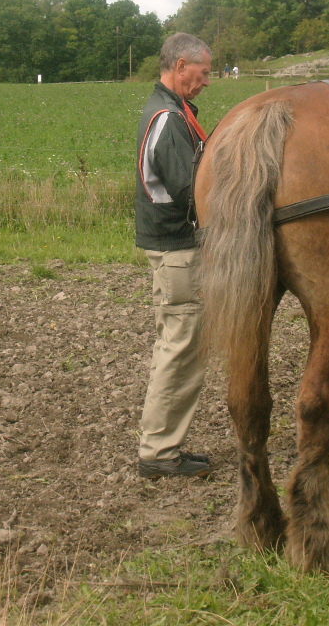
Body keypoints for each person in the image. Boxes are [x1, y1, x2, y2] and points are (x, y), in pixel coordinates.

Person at [134, 32, 213, 479]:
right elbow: (192, 191)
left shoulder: (173, 110)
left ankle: (163, 448)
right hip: (178, 249)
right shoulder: (168, 117)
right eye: (201, 74)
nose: (205, 82)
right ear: (181, 66)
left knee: (181, 345)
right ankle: (159, 454)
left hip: (177, 247)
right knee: (179, 348)